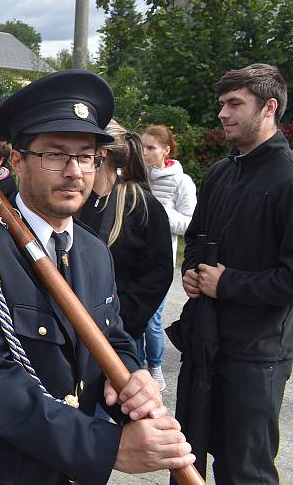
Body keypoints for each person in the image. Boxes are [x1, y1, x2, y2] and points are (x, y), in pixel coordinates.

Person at [0, 70, 193, 484]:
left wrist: (133, 380)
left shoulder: (94, 251)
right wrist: (105, 446)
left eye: (86, 157)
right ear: (18, 161)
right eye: (55, 154)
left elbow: (111, 338)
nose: (74, 171)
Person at [179, 63, 293, 484]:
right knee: (186, 459)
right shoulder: (221, 172)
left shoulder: (288, 178)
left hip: (257, 354)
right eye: (222, 105)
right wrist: (192, 272)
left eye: (234, 104)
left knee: (244, 470)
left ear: (269, 108)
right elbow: (195, 240)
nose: (223, 114)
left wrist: (225, 283)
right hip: (204, 342)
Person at [78, 121, 174, 388]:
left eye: (84, 154)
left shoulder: (143, 206)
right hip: (73, 330)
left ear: (102, 156)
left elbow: (157, 274)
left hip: (115, 336)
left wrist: (121, 321)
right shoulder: (76, 199)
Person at [140, 124, 197, 390]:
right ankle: (134, 367)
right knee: (129, 317)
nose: (144, 152)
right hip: (132, 259)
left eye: (150, 147)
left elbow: (190, 224)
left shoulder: (181, 181)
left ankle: (155, 366)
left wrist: (160, 212)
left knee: (152, 319)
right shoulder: (136, 175)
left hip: (159, 262)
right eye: (142, 146)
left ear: (166, 150)